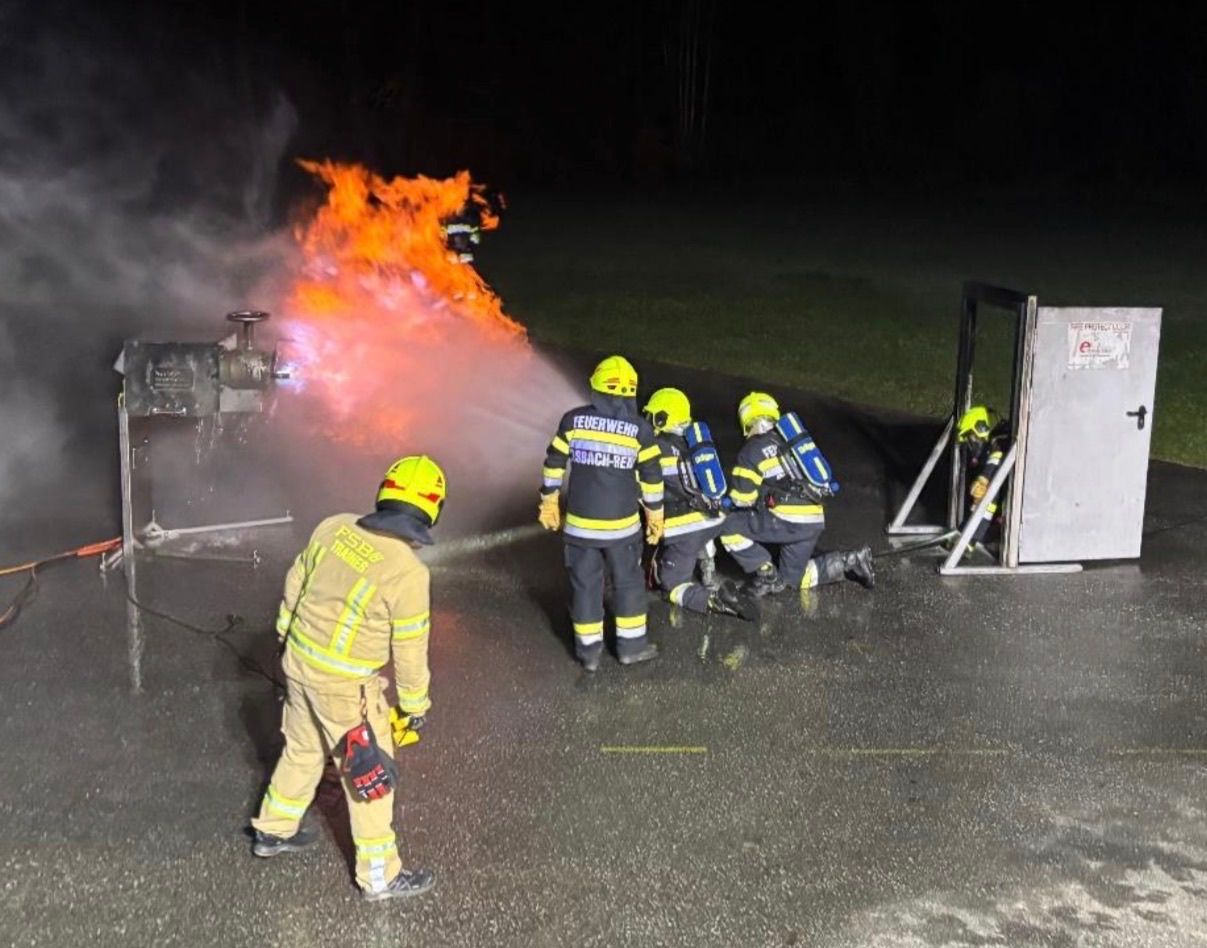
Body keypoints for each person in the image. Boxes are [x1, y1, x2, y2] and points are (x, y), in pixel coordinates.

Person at [249, 455, 445, 902]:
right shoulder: (409, 573)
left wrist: (285, 634)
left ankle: (273, 831)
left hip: (298, 664)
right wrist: (415, 706)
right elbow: (411, 649)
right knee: (369, 779)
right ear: (432, 509)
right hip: (347, 689)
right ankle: (380, 876)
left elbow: (295, 581)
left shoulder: (335, 526)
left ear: (385, 493)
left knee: (302, 749)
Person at [539, 355, 664, 671]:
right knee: (628, 584)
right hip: (622, 532)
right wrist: (655, 515)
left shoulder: (572, 420)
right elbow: (651, 477)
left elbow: (554, 462)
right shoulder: (640, 430)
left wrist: (549, 500)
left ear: (595, 386)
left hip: (580, 530)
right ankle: (631, 647)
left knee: (585, 586)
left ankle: (589, 654)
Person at [720, 391, 874, 596]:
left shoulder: (751, 451)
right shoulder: (792, 442)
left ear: (746, 420)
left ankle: (766, 574)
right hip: (813, 521)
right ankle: (851, 560)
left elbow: (741, 499)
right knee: (793, 579)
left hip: (786, 519)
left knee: (727, 527)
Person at [642, 386, 758, 621]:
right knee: (700, 530)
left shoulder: (656, 448)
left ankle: (713, 599)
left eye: (652, 416)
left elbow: (643, 488)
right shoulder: (694, 442)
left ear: (663, 418)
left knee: (671, 586)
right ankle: (709, 573)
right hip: (715, 518)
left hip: (686, 527)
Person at [956, 405, 1011, 545]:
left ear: (981, 429)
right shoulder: (992, 444)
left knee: (987, 494)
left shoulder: (1000, 443)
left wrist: (983, 479)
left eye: (971, 439)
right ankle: (969, 532)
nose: (970, 445)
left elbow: (995, 462)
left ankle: (971, 539)